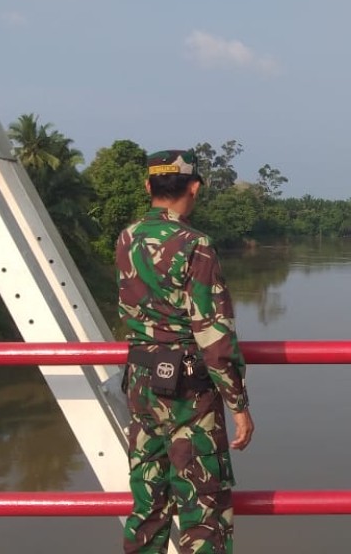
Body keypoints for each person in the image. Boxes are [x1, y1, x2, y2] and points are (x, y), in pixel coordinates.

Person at [116, 149, 255, 554]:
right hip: (187, 390)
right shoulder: (196, 244)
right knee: (203, 508)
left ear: (148, 187)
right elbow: (213, 334)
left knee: (147, 501)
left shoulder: (126, 237)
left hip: (140, 382)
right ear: (194, 188)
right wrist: (238, 404)